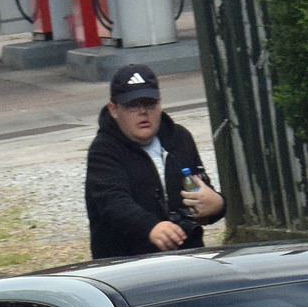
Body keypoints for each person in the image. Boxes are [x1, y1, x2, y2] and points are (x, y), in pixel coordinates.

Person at [86, 66, 224, 259]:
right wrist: (151, 227)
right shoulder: (103, 150)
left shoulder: (180, 138)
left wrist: (217, 204)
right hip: (126, 262)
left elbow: (201, 190)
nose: (143, 112)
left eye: (150, 104)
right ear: (114, 109)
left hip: (188, 256)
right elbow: (112, 203)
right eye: (132, 105)